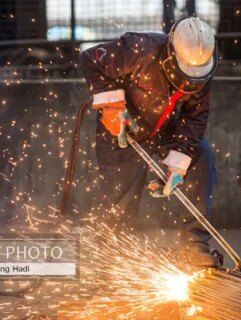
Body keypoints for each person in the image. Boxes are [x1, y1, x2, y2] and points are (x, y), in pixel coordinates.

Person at [79, 17, 219, 267]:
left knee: (202, 156)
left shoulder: (203, 65)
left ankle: (194, 244)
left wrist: (178, 161)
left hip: (166, 129)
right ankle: (112, 259)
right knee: (118, 201)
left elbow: (195, 116)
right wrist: (111, 106)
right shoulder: (139, 49)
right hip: (124, 128)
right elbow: (90, 59)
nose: (190, 82)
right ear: (170, 53)